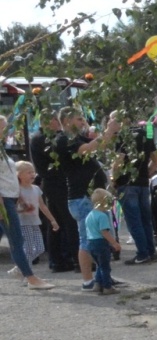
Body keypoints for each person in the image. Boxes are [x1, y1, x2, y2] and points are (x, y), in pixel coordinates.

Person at [55, 107, 120, 281]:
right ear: (67, 121)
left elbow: (100, 144)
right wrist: (108, 130)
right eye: (79, 119)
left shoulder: (75, 138)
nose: (83, 122)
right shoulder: (63, 140)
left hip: (92, 198)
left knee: (100, 240)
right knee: (87, 240)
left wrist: (111, 132)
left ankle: (103, 276)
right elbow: (87, 148)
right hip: (81, 198)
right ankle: (88, 280)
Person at [0, 117, 53, 290]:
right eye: (2, 128)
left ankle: (26, 274)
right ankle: (30, 277)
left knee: (15, 238)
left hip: (10, 198)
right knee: (17, 239)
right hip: (3, 200)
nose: (5, 131)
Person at [110, 111, 157, 264]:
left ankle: (142, 253)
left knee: (134, 220)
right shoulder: (145, 134)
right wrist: (147, 173)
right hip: (143, 183)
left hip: (127, 182)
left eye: (112, 121)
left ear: (120, 121)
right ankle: (151, 252)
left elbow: (119, 161)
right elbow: (156, 160)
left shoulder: (122, 137)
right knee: (146, 220)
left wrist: (113, 179)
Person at [31, 111, 74, 272]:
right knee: (61, 221)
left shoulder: (48, 137)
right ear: (46, 123)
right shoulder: (41, 139)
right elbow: (57, 155)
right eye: (55, 120)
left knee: (58, 223)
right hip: (54, 184)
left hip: (56, 183)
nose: (58, 123)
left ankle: (60, 259)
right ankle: (60, 259)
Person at [14, 160, 59, 269]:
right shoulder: (17, 190)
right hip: (23, 222)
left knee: (40, 248)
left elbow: (42, 206)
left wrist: (52, 220)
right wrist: (22, 209)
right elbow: (14, 207)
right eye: (28, 172)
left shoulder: (36, 189)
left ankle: (19, 267)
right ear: (19, 175)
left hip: (35, 221)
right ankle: (27, 274)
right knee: (28, 248)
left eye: (33, 172)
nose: (32, 174)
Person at [80, 188, 120, 294]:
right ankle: (107, 287)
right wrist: (114, 243)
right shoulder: (102, 216)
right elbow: (104, 232)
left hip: (91, 242)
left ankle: (97, 284)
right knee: (105, 267)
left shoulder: (89, 215)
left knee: (99, 265)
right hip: (101, 243)